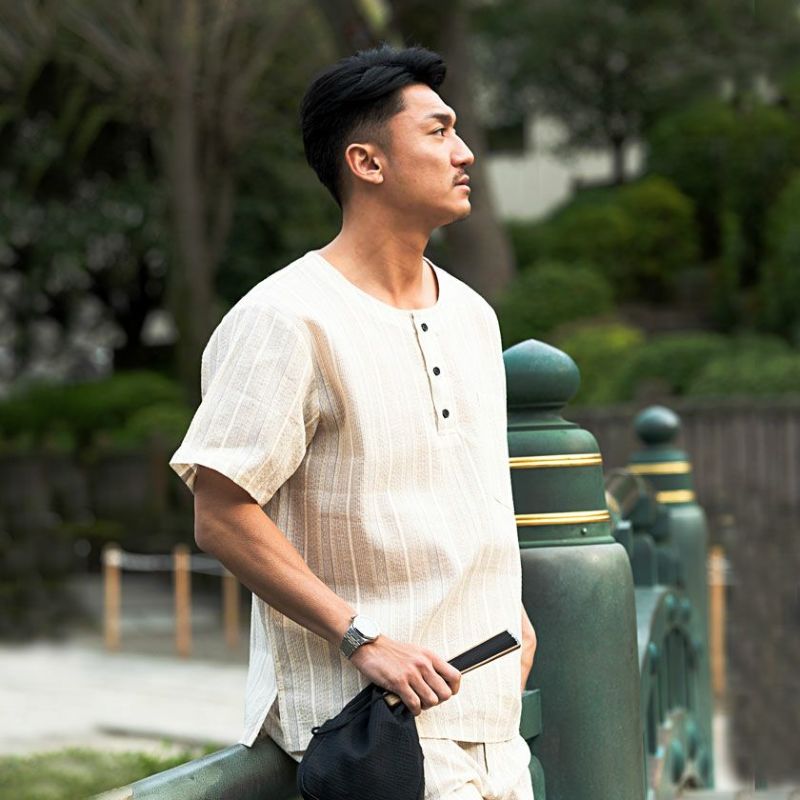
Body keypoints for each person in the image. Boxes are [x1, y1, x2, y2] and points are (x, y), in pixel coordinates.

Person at [169, 44, 537, 800]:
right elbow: (221, 512)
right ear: (367, 162)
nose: (464, 152)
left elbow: (469, 492)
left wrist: (518, 621)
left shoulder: (474, 316)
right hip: (373, 732)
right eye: (438, 132)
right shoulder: (283, 318)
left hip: (495, 726)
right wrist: (360, 637)